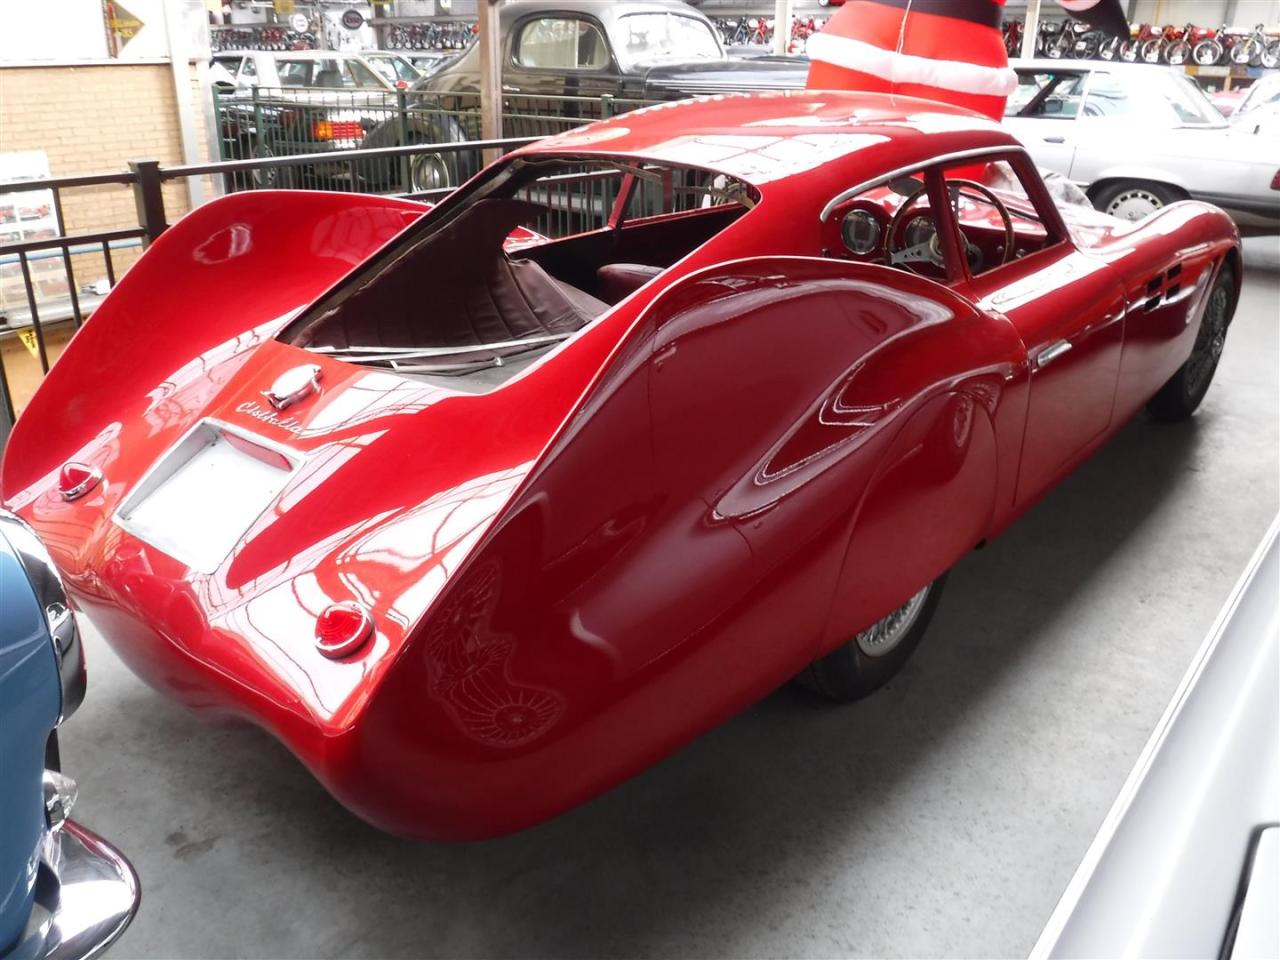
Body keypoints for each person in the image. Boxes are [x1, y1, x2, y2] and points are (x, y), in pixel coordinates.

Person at [806, 0, 1130, 122]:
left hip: (853, 44)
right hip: (961, 56)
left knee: (828, 173)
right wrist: (1111, 18)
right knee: (941, 195)